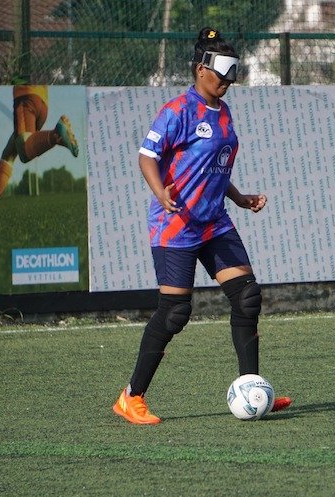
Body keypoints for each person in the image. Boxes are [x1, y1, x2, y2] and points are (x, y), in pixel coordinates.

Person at [113, 27, 292, 425]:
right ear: (200, 70)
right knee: (175, 312)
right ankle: (131, 397)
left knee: (247, 297)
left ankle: (252, 390)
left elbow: (212, 168)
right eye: (222, 70)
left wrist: (239, 197)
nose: (229, 79)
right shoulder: (177, 110)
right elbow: (146, 156)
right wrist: (160, 192)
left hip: (214, 222)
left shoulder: (223, 113)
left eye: (233, 70)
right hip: (176, 224)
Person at [0, 85, 79, 223]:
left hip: (25, 97)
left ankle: (56, 135)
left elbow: (6, 74)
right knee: (9, 154)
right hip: (42, 103)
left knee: (24, 151)